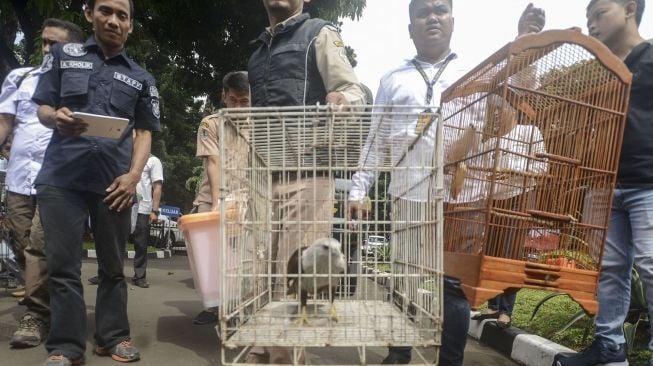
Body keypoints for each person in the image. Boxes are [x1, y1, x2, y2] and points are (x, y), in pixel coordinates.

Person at [347, 1, 545, 364]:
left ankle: (450, 360)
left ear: (453, 20)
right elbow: (375, 139)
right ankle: (399, 351)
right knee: (404, 277)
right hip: (407, 193)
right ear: (410, 27)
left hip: (462, 198)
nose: (432, 17)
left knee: (452, 287)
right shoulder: (393, 79)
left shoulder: (478, 71)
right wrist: (359, 189)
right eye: (423, 12)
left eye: (440, 9)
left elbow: (519, 86)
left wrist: (526, 42)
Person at [32, 0, 161, 364]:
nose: (114, 20)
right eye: (106, 11)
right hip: (61, 179)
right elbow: (41, 106)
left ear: (131, 25)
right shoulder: (61, 56)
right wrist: (54, 116)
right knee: (63, 266)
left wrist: (134, 176)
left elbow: (145, 133)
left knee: (112, 266)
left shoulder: (141, 77)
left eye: (123, 15)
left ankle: (113, 337)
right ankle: (66, 347)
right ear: (89, 14)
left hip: (114, 185)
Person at [246, 0, 365, 363]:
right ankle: (262, 350)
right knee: (259, 272)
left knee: (293, 273)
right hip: (264, 178)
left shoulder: (320, 34)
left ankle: (285, 358)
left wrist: (343, 98)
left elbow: (353, 90)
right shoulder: (256, 54)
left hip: (308, 173)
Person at [555, 1, 652, 365]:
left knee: (651, 264)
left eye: (599, 13)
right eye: (587, 18)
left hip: (648, 182)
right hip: (608, 182)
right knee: (610, 269)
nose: (592, 24)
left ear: (629, 8)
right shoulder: (605, 70)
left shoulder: (651, 58)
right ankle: (609, 347)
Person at [0, 18, 84, 348]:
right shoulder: (20, 78)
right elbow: (5, 123)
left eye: (56, 44)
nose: (47, 49)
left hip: (57, 181)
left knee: (38, 246)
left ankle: (36, 316)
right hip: (19, 180)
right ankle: (45, 302)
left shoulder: (80, 83)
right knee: (24, 248)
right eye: (45, 42)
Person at [471, 93, 547, 329]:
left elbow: (542, 166)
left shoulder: (529, 132)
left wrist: (515, 172)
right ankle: (493, 306)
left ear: (512, 110)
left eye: (498, 108)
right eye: (491, 109)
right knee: (492, 253)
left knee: (511, 254)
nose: (494, 114)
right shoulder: (489, 143)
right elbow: (479, 175)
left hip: (520, 198)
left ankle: (507, 310)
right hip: (495, 201)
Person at [191, 70, 250, 325]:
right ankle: (213, 306)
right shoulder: (210, 124)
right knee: (212, 257)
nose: (238, 107)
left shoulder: (262, 125)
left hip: (247, 200)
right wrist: (217, 204)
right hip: (212, 197)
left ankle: (237, 308)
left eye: (244, 101)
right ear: (224, 97)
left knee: (242, 260)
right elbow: (213, 162)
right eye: (233, 100)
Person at [131, 154, 163, 288]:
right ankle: (106, 273)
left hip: (142, 208)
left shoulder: (153, 160)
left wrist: (154, 211)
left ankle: (139, 276)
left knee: (141, 244)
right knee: (113, 241)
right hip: (122, 205)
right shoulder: (126, 155)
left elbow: (157, 186)